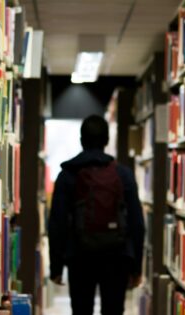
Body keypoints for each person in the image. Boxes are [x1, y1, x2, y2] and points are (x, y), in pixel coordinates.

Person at [48, 115, 145, 315]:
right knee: (113, 310)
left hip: (79, 255)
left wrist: (56, 266)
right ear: (107, 140)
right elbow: (137, 222)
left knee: (82, 310)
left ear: (81, 140)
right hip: (117, 256)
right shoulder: (123, 174)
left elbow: (57, 223)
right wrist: (136, 267)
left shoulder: (67, 174)